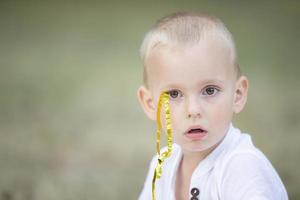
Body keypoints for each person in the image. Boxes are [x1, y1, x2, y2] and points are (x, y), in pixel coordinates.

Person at [137, 11, 288, 200]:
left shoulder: (243, 169)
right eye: (174, 94)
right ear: (150, 104)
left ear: (237, 95)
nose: (193, 110)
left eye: (209, 90)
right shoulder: (162, 165)